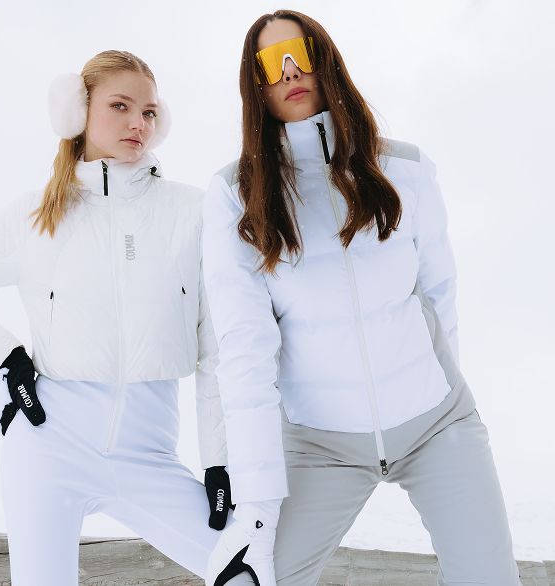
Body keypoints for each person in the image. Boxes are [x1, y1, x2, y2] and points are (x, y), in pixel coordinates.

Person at [0, 50, 249, 586]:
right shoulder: (38, 214)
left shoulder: (191, 212)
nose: (139, 123)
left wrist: (219, 461)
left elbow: (215, 348)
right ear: (77, 112)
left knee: (249, 571)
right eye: (121, 105)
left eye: (151, 112)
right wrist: (8, 358)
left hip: (149, 453)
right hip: (48, 445)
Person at [202, 11, 523, 586]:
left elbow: (438, 293)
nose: (291, 72)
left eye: (300, 53)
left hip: (436, 425)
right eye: (271, 64)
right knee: (258, 580)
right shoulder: (235, 196)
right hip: (318, 443)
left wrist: (429, 385)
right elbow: (244, 352)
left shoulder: (405, 168)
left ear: (325, 58)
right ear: (255, 86)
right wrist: (254, 506)